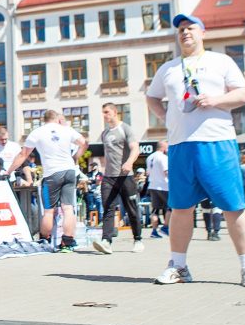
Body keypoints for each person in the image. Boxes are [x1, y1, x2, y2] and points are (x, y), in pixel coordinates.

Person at [146, 12, 245, 287]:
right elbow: (152, 97)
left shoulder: (220, 61)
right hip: (180, 145)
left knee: (233, 206)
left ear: (202, 32)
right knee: (180, 207)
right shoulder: (169, 68)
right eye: (181, 30)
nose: (185, 33)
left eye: (190, 28)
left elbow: (243, 94)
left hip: (217, 142)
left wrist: (216, 100)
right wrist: (167, 117)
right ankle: (179, 266)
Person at [8, 110, 87, 252]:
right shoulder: (66, 130)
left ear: (44, 120)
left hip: (51, 174)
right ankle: (68, 242)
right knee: (68, 208)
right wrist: (75, 157)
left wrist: (8, 171)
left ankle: (45, 239)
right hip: (69, 171)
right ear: (57, 119)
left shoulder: (37, 132)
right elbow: (83, 143)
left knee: (49, 211)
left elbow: (23, 154)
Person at [91, 103, 144, 254]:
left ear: (115, 112)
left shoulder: (125, 128)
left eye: (107, 112)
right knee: (108, 208)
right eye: (103, 112)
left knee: (131, 209)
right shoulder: (105, 133)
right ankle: (106, 241)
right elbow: (107, 155)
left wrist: (129, 162)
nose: (105, 115)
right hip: (109, 177)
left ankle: (138, 239)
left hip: (125, 176)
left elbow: (135, 148)